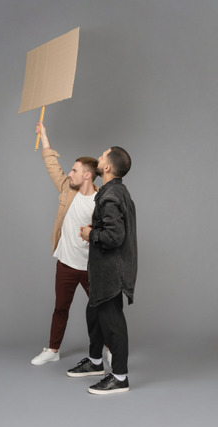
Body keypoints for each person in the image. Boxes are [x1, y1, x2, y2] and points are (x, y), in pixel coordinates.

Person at [67, 146, 137, 394]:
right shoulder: (116, 191)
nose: (99, 158)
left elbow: (114, 236)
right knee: (94, 314)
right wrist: (95, 229)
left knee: (112, 322)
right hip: (104, 272)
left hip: (110, 273)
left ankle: (119, 377)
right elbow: (113, 228)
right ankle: (96, 362)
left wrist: (90, 233)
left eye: (103, 156)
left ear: (107, 168)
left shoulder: (109, 196)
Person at [31, 122, 99, 365]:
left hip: (92, 267)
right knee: (60, 308)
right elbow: (52, 166)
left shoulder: (102, 201)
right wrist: (45, 137)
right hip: (66, 264)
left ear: (87, 175)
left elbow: (110, 233)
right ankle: (53, 350)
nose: (69, 173)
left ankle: (111, 349)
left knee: (103, 311)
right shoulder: (67, 190)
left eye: (74, 170)